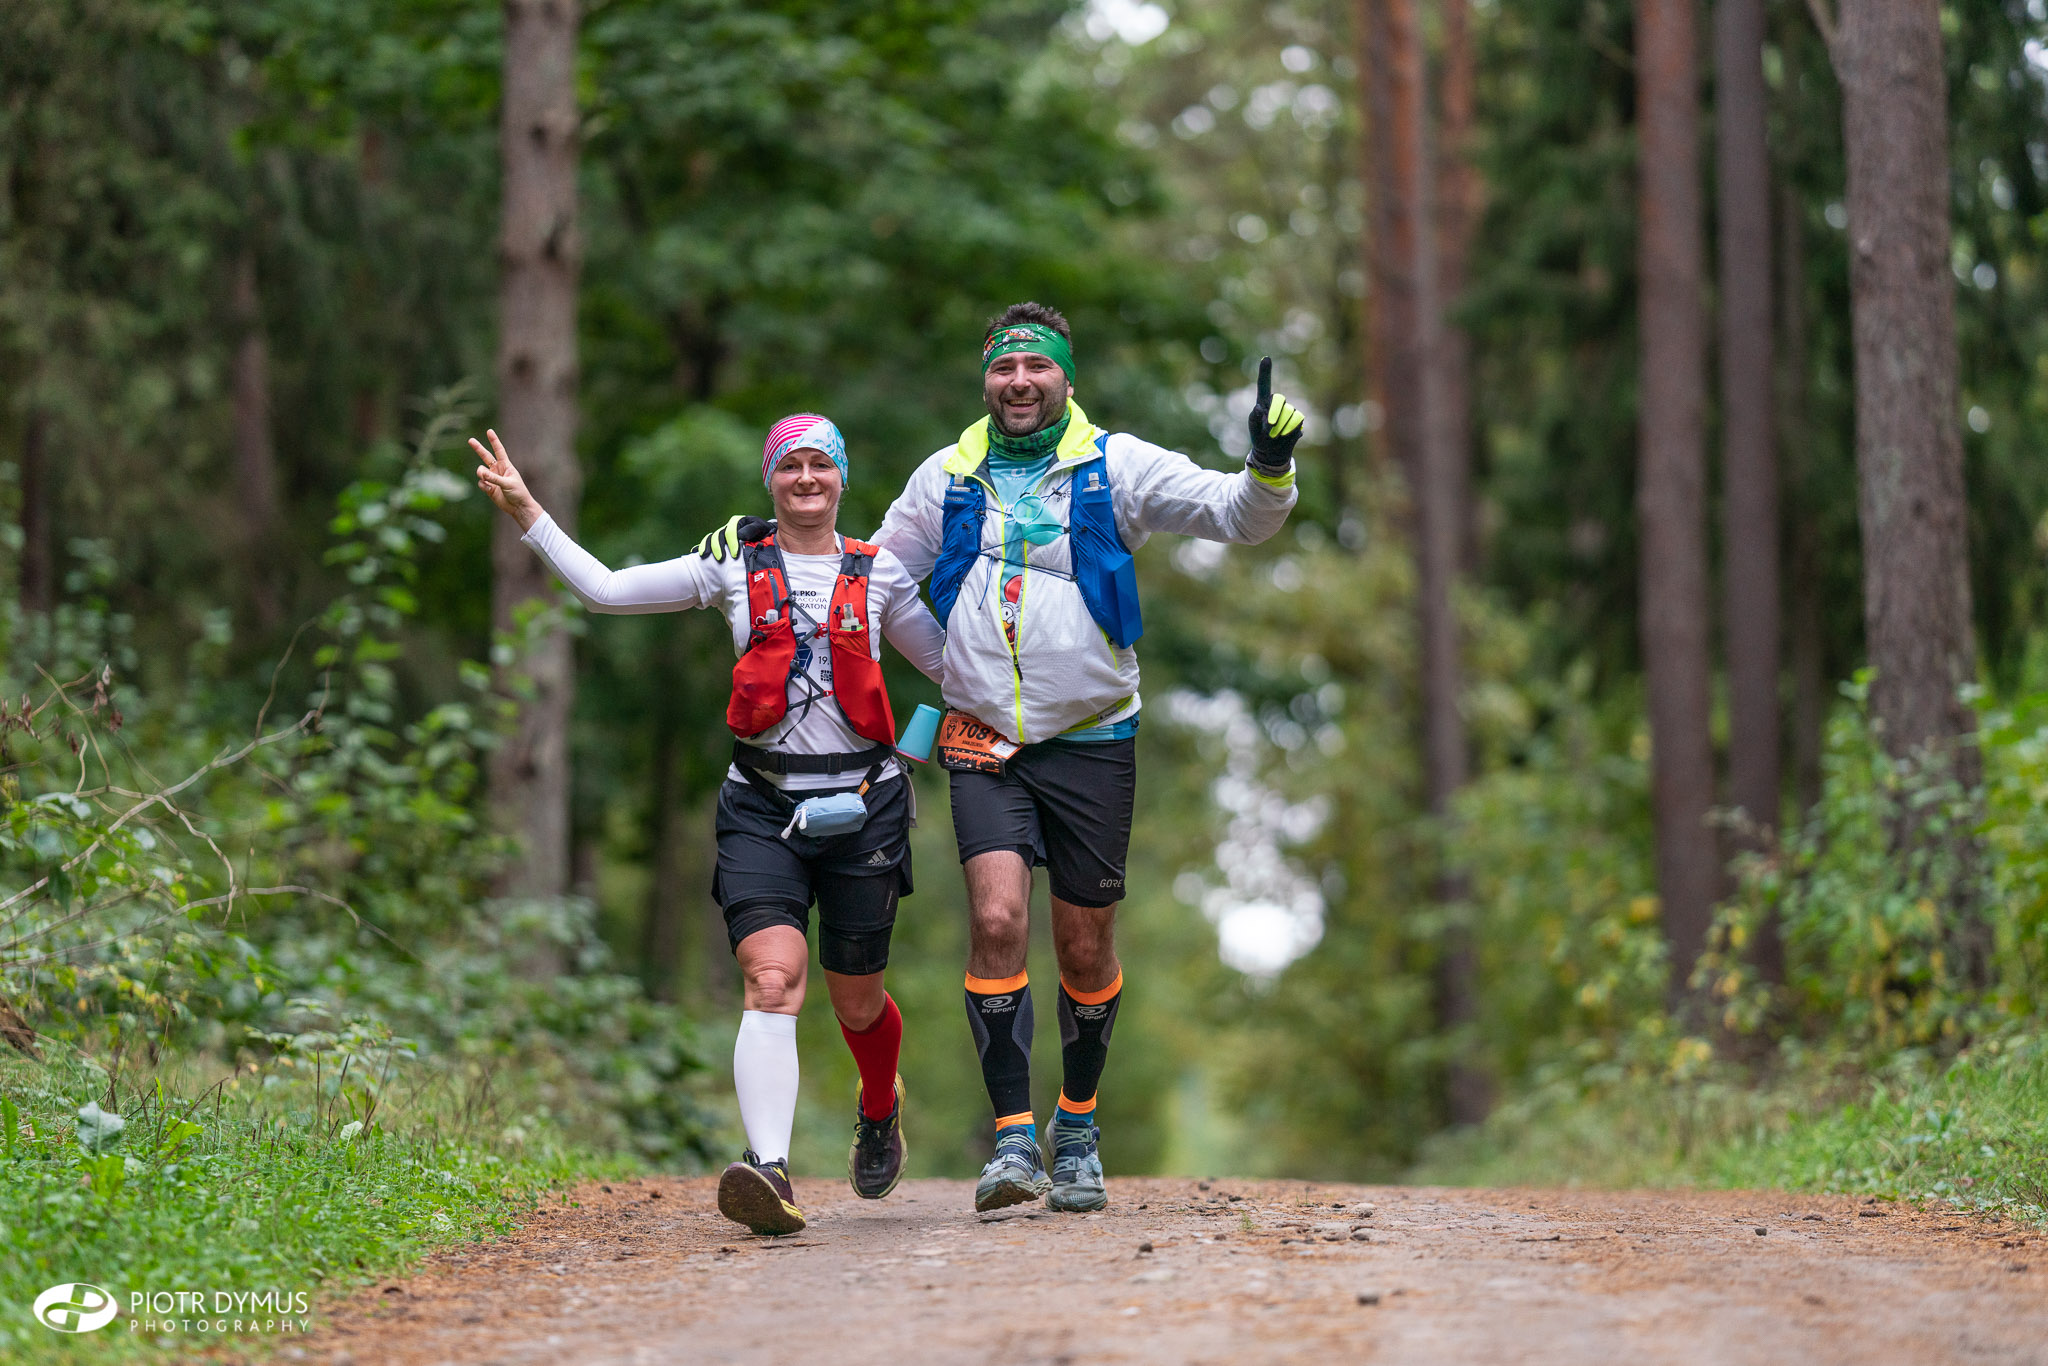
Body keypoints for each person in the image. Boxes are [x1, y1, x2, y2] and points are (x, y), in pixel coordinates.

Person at [704, 304, 1302, 1213]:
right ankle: (1014, 1139)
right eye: (1004, 367)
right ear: (986, 381)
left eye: (1037, 366)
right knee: (994, 920)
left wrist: (1269, 464)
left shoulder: (1118, 465)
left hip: (1095, 735)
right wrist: (761, 542)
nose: (1020, 380)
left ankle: (1080, 1126)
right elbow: (862, 570)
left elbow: (1238, 516)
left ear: (1066, 379)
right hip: (983, 738)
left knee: (1085, 946)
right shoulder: (944, 476)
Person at [472, 414, 944, 1236]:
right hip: (761, 806)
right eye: (790, 466)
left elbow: (952, 668)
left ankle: (879, 1105)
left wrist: (929, 748)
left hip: (864, 812)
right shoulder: (729, 565)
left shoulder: (884, 576)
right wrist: (526, 512)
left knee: (857, 1001)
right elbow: (608, 589)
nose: (805, 479)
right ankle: (770, 1172)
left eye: (819, 466)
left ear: (841, 479)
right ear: (770, 479)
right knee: (772, 977)